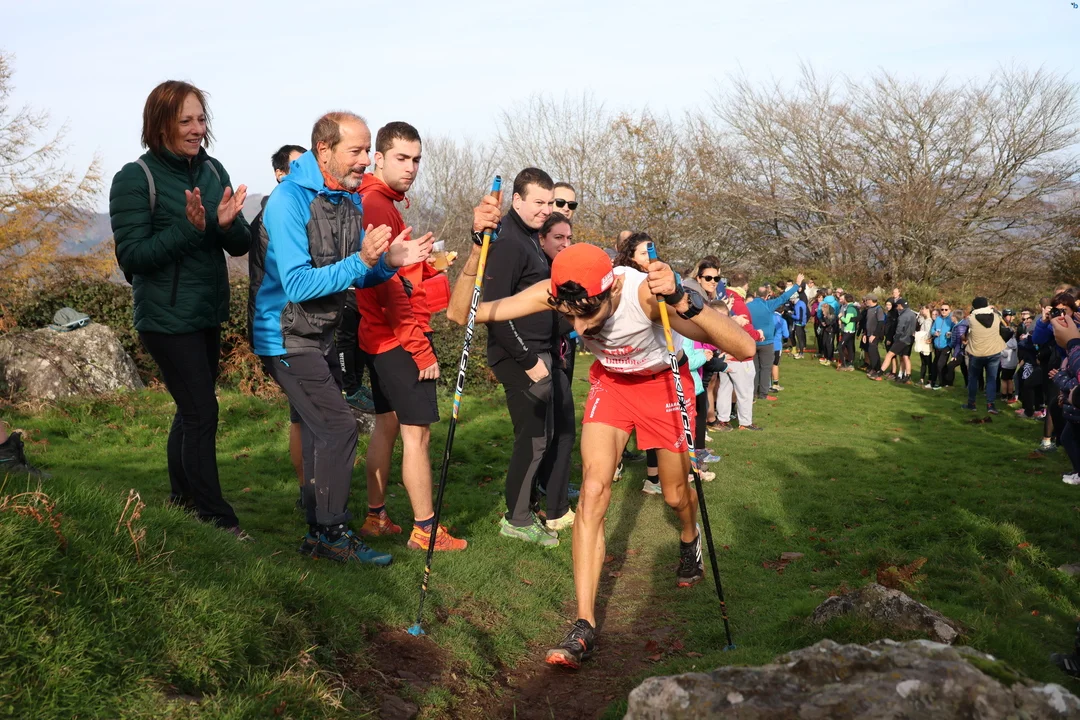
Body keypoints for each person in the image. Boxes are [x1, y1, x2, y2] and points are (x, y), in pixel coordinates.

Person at [448, 200, 756, 670]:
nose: (579, 327)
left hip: (660, 384)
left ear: (609, 288)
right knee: (593, 490)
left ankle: (688, 536)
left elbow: (744, 346)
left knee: (675, 495)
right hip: (611, 386)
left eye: (587, 313)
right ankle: (584, 623)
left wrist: (682, 299)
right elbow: (461, 314)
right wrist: (476, 250)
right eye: (569, 315)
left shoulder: (643, 296)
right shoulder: (555, 292)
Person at [254, 110, 433, 564]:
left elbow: (356, 276)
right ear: (324, 150)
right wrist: (362, 261)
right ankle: (332, 534)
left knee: (323, 431)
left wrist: (387, 262)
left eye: (366, 150)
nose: (365, 160)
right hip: (285, 335)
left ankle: (319, 533)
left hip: (321, 336)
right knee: (337, 426)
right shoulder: (288, 200)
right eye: (356, 151)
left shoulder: (348, 199)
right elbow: (298, 284)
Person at [110, 80, 251, 537]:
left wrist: (225, 224)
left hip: (206, 312)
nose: (196, 129)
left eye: (201, 119)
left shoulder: (212, 171)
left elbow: (240, 243)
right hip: (165, 319)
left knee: (189, 410)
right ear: (160, 125)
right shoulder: (135, 178)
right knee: (201, 412)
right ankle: (216, 518)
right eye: (185, 120)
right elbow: (133, 257)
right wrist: (192, 230)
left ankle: (183, 501)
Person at [355, 121, 467, 552]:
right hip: (398, 340)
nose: (411, 167)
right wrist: (421, 350)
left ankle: (375, 517)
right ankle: (425, 531)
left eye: (416, 159)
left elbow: (394, 272)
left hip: (377, 339)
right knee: (416, 436)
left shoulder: (378, 200)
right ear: (379, 158)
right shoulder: (377, 204)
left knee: (385, 424)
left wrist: (426, 265)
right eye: (402, 158)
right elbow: (386, 290)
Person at [482, 167, 562, 547]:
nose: (546, 209)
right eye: (538, 202)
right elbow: (493, 310)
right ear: (516, 200)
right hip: (518, 357)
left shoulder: (531, 238)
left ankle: (527, 507)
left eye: (550, 202)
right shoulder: (511, 242)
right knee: (531, 440)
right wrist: (529, 361)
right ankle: (516, 519)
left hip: (538, 353)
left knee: (541, 437)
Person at [247, 143, 320, 504]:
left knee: (309, 417)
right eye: (296, 167)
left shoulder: (307, 208)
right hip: (284, 329)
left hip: (303, 328)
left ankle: (315, 493)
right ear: (279, 174)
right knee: (306, 418)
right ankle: (310, 494)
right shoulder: (274, 215)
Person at [534, 211, 579, 525]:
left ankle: (555, 504)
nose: (565, 244)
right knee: (547, 435)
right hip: (539, 360)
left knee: (562, 432)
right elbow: (545, 322)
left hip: (559, 357)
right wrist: (579, 315)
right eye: (558, 237)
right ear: (542, 239)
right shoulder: (539, 271)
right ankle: (547, 505)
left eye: (569, 238)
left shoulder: (562, 270)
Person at [716, 271, 764, 431]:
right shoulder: (739, 303)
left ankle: (722, 419)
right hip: (740, 354)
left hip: (724, 352)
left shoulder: (722, 298)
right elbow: (746, 328)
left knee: (725, 388)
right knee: (745, 391)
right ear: (746, 285)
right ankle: (745, 422)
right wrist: (758, 334)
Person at [746, 277, 802, 400]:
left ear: (755, 294)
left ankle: (753, 393)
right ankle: (763, 393)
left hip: (752, 341)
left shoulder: (747, 306)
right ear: (767, 296)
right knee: (766, 368)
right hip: (767, 342)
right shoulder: (769, 305)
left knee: (754, 368)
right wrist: (796, 285)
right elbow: (784, 297)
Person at [961, 297, 1005, 414]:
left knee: (973, 378)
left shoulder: (971, 319)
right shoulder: (996, 316)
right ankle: (991, 405)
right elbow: (1000, 315)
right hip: (994, 352)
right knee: (991, 379)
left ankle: (971, 403)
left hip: (977, 352)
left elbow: (966, 329)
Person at [1050, 313, 1080, 484]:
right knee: (1068, 438)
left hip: (1076, 410)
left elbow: (1076, 382)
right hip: (1072, 409)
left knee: (1068, 438)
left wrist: (1073, 343)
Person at [930, 303, 955, 389]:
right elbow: (932, 329)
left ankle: (941, 383)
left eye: (946, 309)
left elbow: (955, 331)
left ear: (949, 311)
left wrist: (950, 335)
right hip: (937, 345)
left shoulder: (951, 320)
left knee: (940, 364)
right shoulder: (938, 319)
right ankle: (945, 382)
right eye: (942, 309)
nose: (944, 311)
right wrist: (934, 333)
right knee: (937, 364)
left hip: (946, 345)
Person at [837, 293, 858, 371]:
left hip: (848, 330)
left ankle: (843, 364)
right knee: (850, 347)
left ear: (845, 300)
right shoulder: (853, 307)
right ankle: (850, 364)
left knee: (840, 347)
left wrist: (840, 317)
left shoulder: (850, 308)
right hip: (852, 330)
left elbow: (847, 320)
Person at [915, 305, 934, 388]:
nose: (922, 310)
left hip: (927, 343)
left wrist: (929, 339)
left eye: (923, 309)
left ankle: (930, 379)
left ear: (928, 310)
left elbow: (929, 332)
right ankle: (921, 379)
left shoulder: (930, 321)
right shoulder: (924, 320)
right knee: (923, 362)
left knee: (928, 362)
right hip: (921, 342)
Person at [771, 309, 790, 390]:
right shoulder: (782, 321)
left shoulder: (768, 317)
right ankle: (775, 384)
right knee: (775, 364)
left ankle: (765, 383)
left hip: (766, 344)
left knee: (765, 364)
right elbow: (786, 335)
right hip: (777, 346)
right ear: (782, 312)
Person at [792, 289, 809, 359]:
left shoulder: (797, 305)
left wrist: (791, 315)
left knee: (799, 339)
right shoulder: (802, 303)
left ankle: (801, 354)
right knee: (801, 338)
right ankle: (801, 353)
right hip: (802, 323)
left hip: (799, 323)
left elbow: (798, 317)